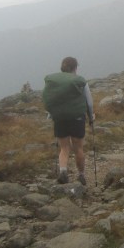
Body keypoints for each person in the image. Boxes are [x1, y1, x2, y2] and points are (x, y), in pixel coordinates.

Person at [42, 56, 95, 185]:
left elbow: (50, 99)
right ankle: (81, 175)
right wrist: (91, 116)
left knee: (64, 148)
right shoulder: (80, 80)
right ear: (75, 67)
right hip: (77, 118)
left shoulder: (54, 81)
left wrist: (51, 114)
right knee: (78, 149)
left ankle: (63, 172)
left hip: (60, 119)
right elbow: (89, 102)